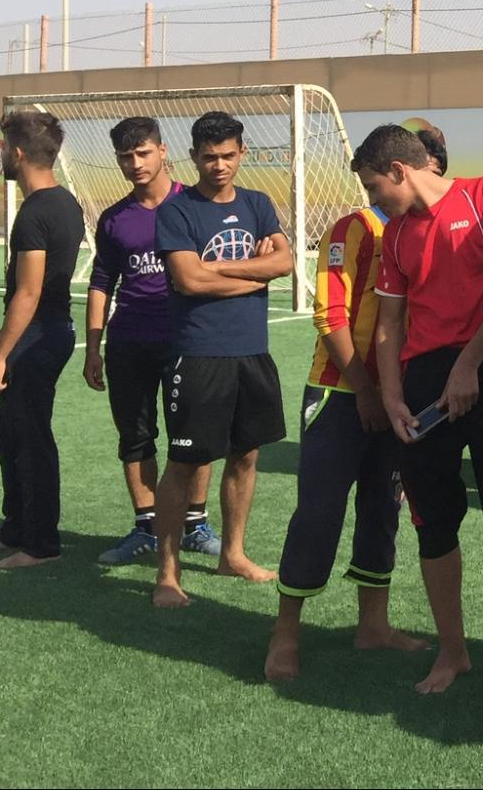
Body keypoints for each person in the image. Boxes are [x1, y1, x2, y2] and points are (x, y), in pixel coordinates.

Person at [363, 123, 483, 694]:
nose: (373, 201)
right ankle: (453, 652)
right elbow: (391, 325)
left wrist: (470, 363)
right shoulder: (394, 236)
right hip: (425, 382)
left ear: (400, 171)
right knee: (434, 520)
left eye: (374, 188)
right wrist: (392, 394)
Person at [265, 176, 423, 679]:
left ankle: (373, 625)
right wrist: (366, 390)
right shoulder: (352, 228)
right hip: (338, 394)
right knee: (319, 512)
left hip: (400, 396)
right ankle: (285, 634)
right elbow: (329, 314)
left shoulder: (425, 230)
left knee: (384, 508)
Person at [150, 111, 293, 605]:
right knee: (186, 463)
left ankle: (232, 554)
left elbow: (286, 262)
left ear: (242, 154)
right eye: (209, 157)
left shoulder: (258, 204)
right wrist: (256, 273)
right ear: (193, 157)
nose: (219, 165)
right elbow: (188, 280)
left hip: (252, 351)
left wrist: (223, 268)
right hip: (199, 355)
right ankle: (167, 575)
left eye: (228, 156)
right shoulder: (177, 210)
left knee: (246, 455)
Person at [84, 117, 219, 567]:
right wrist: (93, 347)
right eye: (126, 156)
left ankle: (195, 526)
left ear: (164, 151)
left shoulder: (195, 205)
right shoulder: (114, 218)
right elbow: (101, 283)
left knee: (194, 440)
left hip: (189, 341)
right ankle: (145, 526)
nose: (135, 163)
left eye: (143, 153)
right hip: (129, 342)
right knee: (136, 437)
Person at [0, 109, 83, 571]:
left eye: (3, 152)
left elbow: (29, 292)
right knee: (10, 432)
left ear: (17, 154)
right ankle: (14, 528)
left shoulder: (36, 212)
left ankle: (40, 543)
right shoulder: (65, 203)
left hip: (38, 336)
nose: (1, 162)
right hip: (46, 332)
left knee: (30, 436)